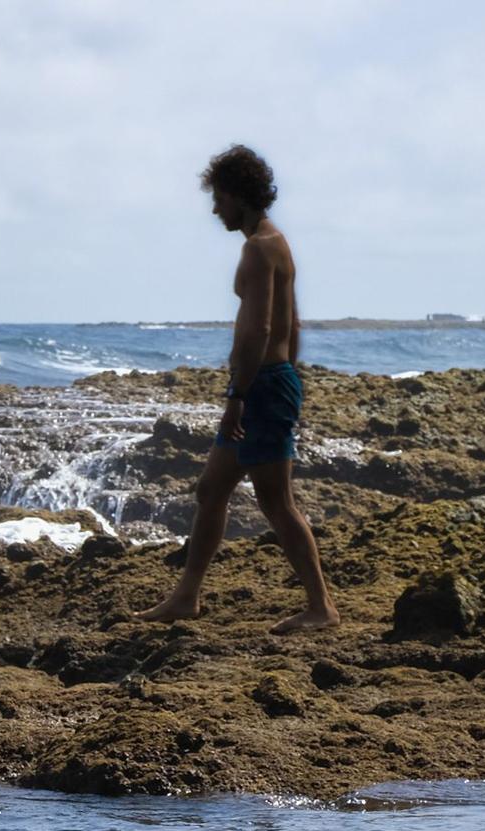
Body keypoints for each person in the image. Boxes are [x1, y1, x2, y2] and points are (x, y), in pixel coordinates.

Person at [138, 144, 339, 633]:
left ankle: (321, 608)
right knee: (212, 489)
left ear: (239, 197)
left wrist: (241, 395)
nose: (215, 209)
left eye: (220, 198)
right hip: (271, 382)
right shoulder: (277, 242)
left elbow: (260, 332)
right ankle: (185, 597)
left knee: (275, 501)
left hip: (261, 389)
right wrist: (288, 376)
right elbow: (292, 322)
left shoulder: (258, 248)